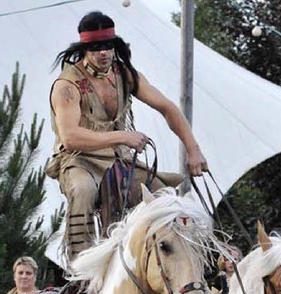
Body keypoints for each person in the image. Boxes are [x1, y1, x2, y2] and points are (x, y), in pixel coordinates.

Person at [49, 11, 208, 260]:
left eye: (108, 46)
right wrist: (122, 137)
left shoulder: (125, 75)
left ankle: (176, 266)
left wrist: (193, 149)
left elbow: (168, 108)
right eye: (95, 48)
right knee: (82, 190)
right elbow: (70, 138)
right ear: (84, 50)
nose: (103, 53)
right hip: (80, 159)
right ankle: (80, 265)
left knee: (162, 197)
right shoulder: (67, 85)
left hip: (119, 158)